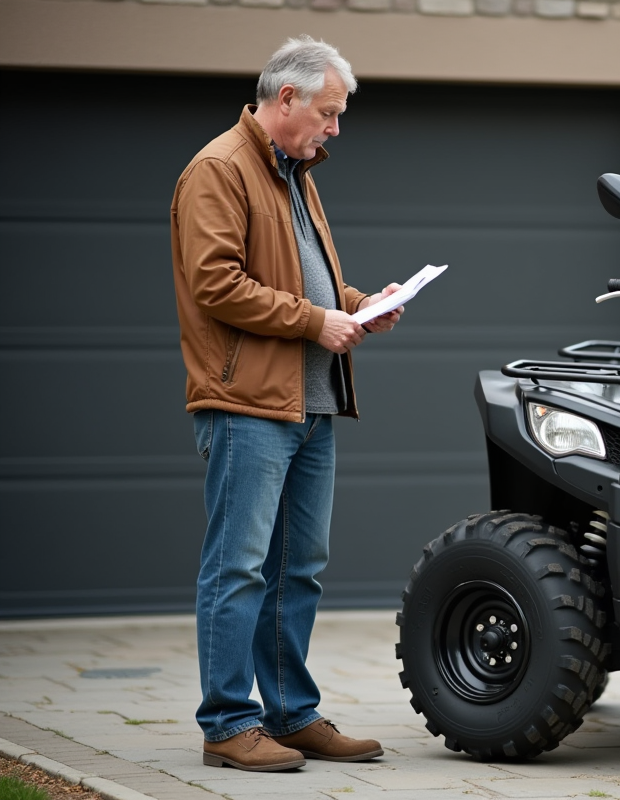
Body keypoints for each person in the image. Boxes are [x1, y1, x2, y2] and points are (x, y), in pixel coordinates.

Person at [170, 35, 401, 772]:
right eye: (329, 113)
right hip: (246, 406)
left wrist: (362, 305)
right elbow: (217, 284)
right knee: (238, 567)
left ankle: (291, 714)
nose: (336, 129)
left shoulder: (295, 173)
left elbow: (304, 282)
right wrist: (316, 321)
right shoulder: (219, 169)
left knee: (299, 567)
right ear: (288, 98)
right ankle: (228, 724)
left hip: (311, 405)